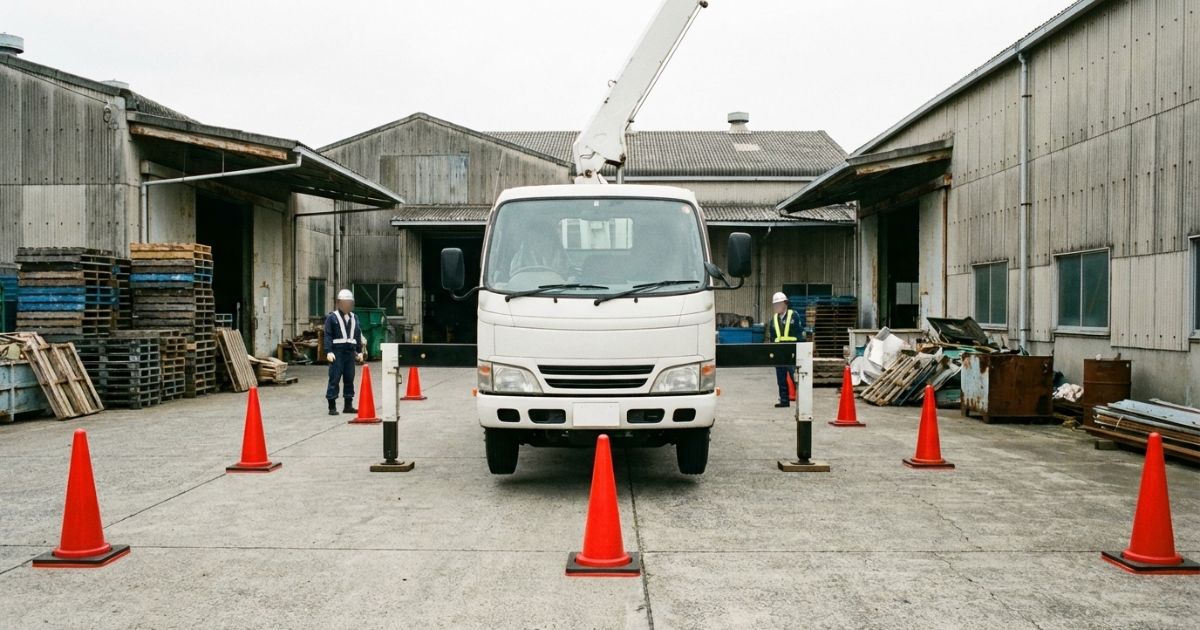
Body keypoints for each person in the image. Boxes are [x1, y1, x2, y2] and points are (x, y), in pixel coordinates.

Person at [323, 289, 365, 416]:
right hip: (337, 352)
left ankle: (348, 405)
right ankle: (332, 406)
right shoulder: (332, 317)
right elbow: (328, 335)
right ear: (339, 303)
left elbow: (357, 335)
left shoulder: (354, 317)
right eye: (344, 302)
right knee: (334, 379)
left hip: (350, 353)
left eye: (349, 302)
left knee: (349, 378)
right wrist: (328, 351)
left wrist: (359, 351)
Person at [766, 291, 799, 408]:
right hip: (779, 352)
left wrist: (799, 350)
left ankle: (802, 401)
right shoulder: (773, 320)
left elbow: (799, 334)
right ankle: (784, 400)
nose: (777, 307)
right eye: (775, 305)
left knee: (796, 376)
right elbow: (772, 337)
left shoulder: (793, 315)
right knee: (781, 378)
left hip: (791, 351)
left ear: (785, 303)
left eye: (779, 304)